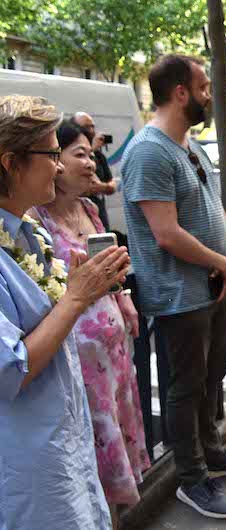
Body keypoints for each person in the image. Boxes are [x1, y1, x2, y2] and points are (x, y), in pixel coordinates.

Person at [120, 54, 226, 520]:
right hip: (180, 296)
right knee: (184, 388)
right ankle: (191, 478)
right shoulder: (148, 151)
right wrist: (224, 263)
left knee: (211, 375)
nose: (208, 95)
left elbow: (215, 208)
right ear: (181, 92)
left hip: (214, 286)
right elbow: (166, 233)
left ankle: (211, 450)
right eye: (203, 87)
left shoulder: (190, 146)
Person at [0, 95, 130, 529]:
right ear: (10, 163)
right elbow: (9, 369)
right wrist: (75, 298)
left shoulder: (27, 230)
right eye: (51, 153)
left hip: (63, 442)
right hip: (29, 464)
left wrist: (87, 284)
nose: (59, 166)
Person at [33, 121, 150, 525]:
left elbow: (110, 272)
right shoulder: (35, 221)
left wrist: (126, 299)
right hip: (80, 364)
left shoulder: (90, 210)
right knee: (92, 457)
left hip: (115, 354)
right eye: (78, 154)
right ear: (55, 162)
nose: (90, 162)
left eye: (89, 153)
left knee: (116, 440)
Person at [72, 112, 116, 231]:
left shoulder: (100, 156)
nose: (91, 131)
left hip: (98, 214)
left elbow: (112, 184)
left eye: (92, 126)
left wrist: (101, 187)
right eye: (86, 127)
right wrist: (92, 148)